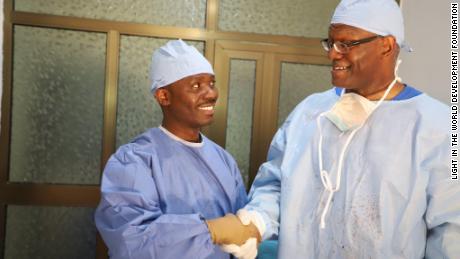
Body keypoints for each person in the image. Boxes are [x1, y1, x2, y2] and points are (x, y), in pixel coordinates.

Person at [228, 0, 459, 258]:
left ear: (387, 45)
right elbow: (274, 183)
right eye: (330, 42)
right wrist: (259, 220)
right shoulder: (310, 112)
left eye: (346, 44)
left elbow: (452, 232)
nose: (332, 53)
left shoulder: (440, 127)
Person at [95, 39, 260, 259]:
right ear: (164, 96)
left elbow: (242, 228)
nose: (211, 94)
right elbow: (131, 241)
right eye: (196, 86)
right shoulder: (135, 161)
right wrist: (210, 230)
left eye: (211, 83)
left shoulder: (223, 160)